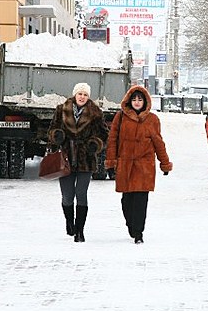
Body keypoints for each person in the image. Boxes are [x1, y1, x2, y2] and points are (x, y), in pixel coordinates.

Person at [104, 86, 173, 244]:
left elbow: (158, 143)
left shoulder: (152, 119)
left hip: (144, 166)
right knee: (126, 201)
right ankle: (131, 225)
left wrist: (165, 163)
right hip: (125, 164)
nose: (136, 102)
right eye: (134, 99)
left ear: (145, 101)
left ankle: (139, 233)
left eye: (140, 99)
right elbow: (112, 141)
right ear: (129, 100)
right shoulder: (120, 117)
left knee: (141, 201)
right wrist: (111, 162)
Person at [48, 82, 108, 242]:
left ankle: (80, 231)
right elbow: (52, 130)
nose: (82, 97)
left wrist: (95, 144)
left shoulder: (96, 113)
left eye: (85, 94)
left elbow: (104, 135)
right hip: (66, 158)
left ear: (89, 97)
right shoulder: (61, 110)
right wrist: (57, 135)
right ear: (75, 94)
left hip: (85, 159)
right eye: (80, 94)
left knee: (81, 194)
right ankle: (69, 221)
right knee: (67, 196)